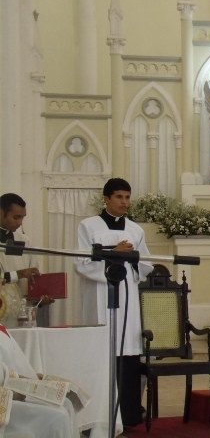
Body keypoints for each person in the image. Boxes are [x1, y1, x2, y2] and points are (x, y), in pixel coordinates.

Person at [75, 178, 153, 427]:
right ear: (106, 198)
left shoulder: (135, 229)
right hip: (100, 293)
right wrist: (113, 255)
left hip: (127, 295)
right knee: (102, 350)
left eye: (127, 197)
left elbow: (146, 263)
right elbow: (81, 263)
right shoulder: (88, 226)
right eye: (119, 197)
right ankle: (101, 416)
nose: (124, 202)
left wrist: (132, 261)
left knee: (127, 349)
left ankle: (128, 415)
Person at [0, 324, 79, 437]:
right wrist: (15, 391)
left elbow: (6, 369)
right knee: (58, 419)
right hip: (6, 405)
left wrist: (37, 381)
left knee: (66, 403)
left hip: (12, 390)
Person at [0, 193, 53, 327]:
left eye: (22, 218)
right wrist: (19, 274)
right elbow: (19, 274)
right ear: (1, 213)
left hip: (25, 315)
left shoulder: (24, 240)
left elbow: (33, 278)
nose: (20, 223)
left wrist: (39, 299)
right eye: (16, 217)